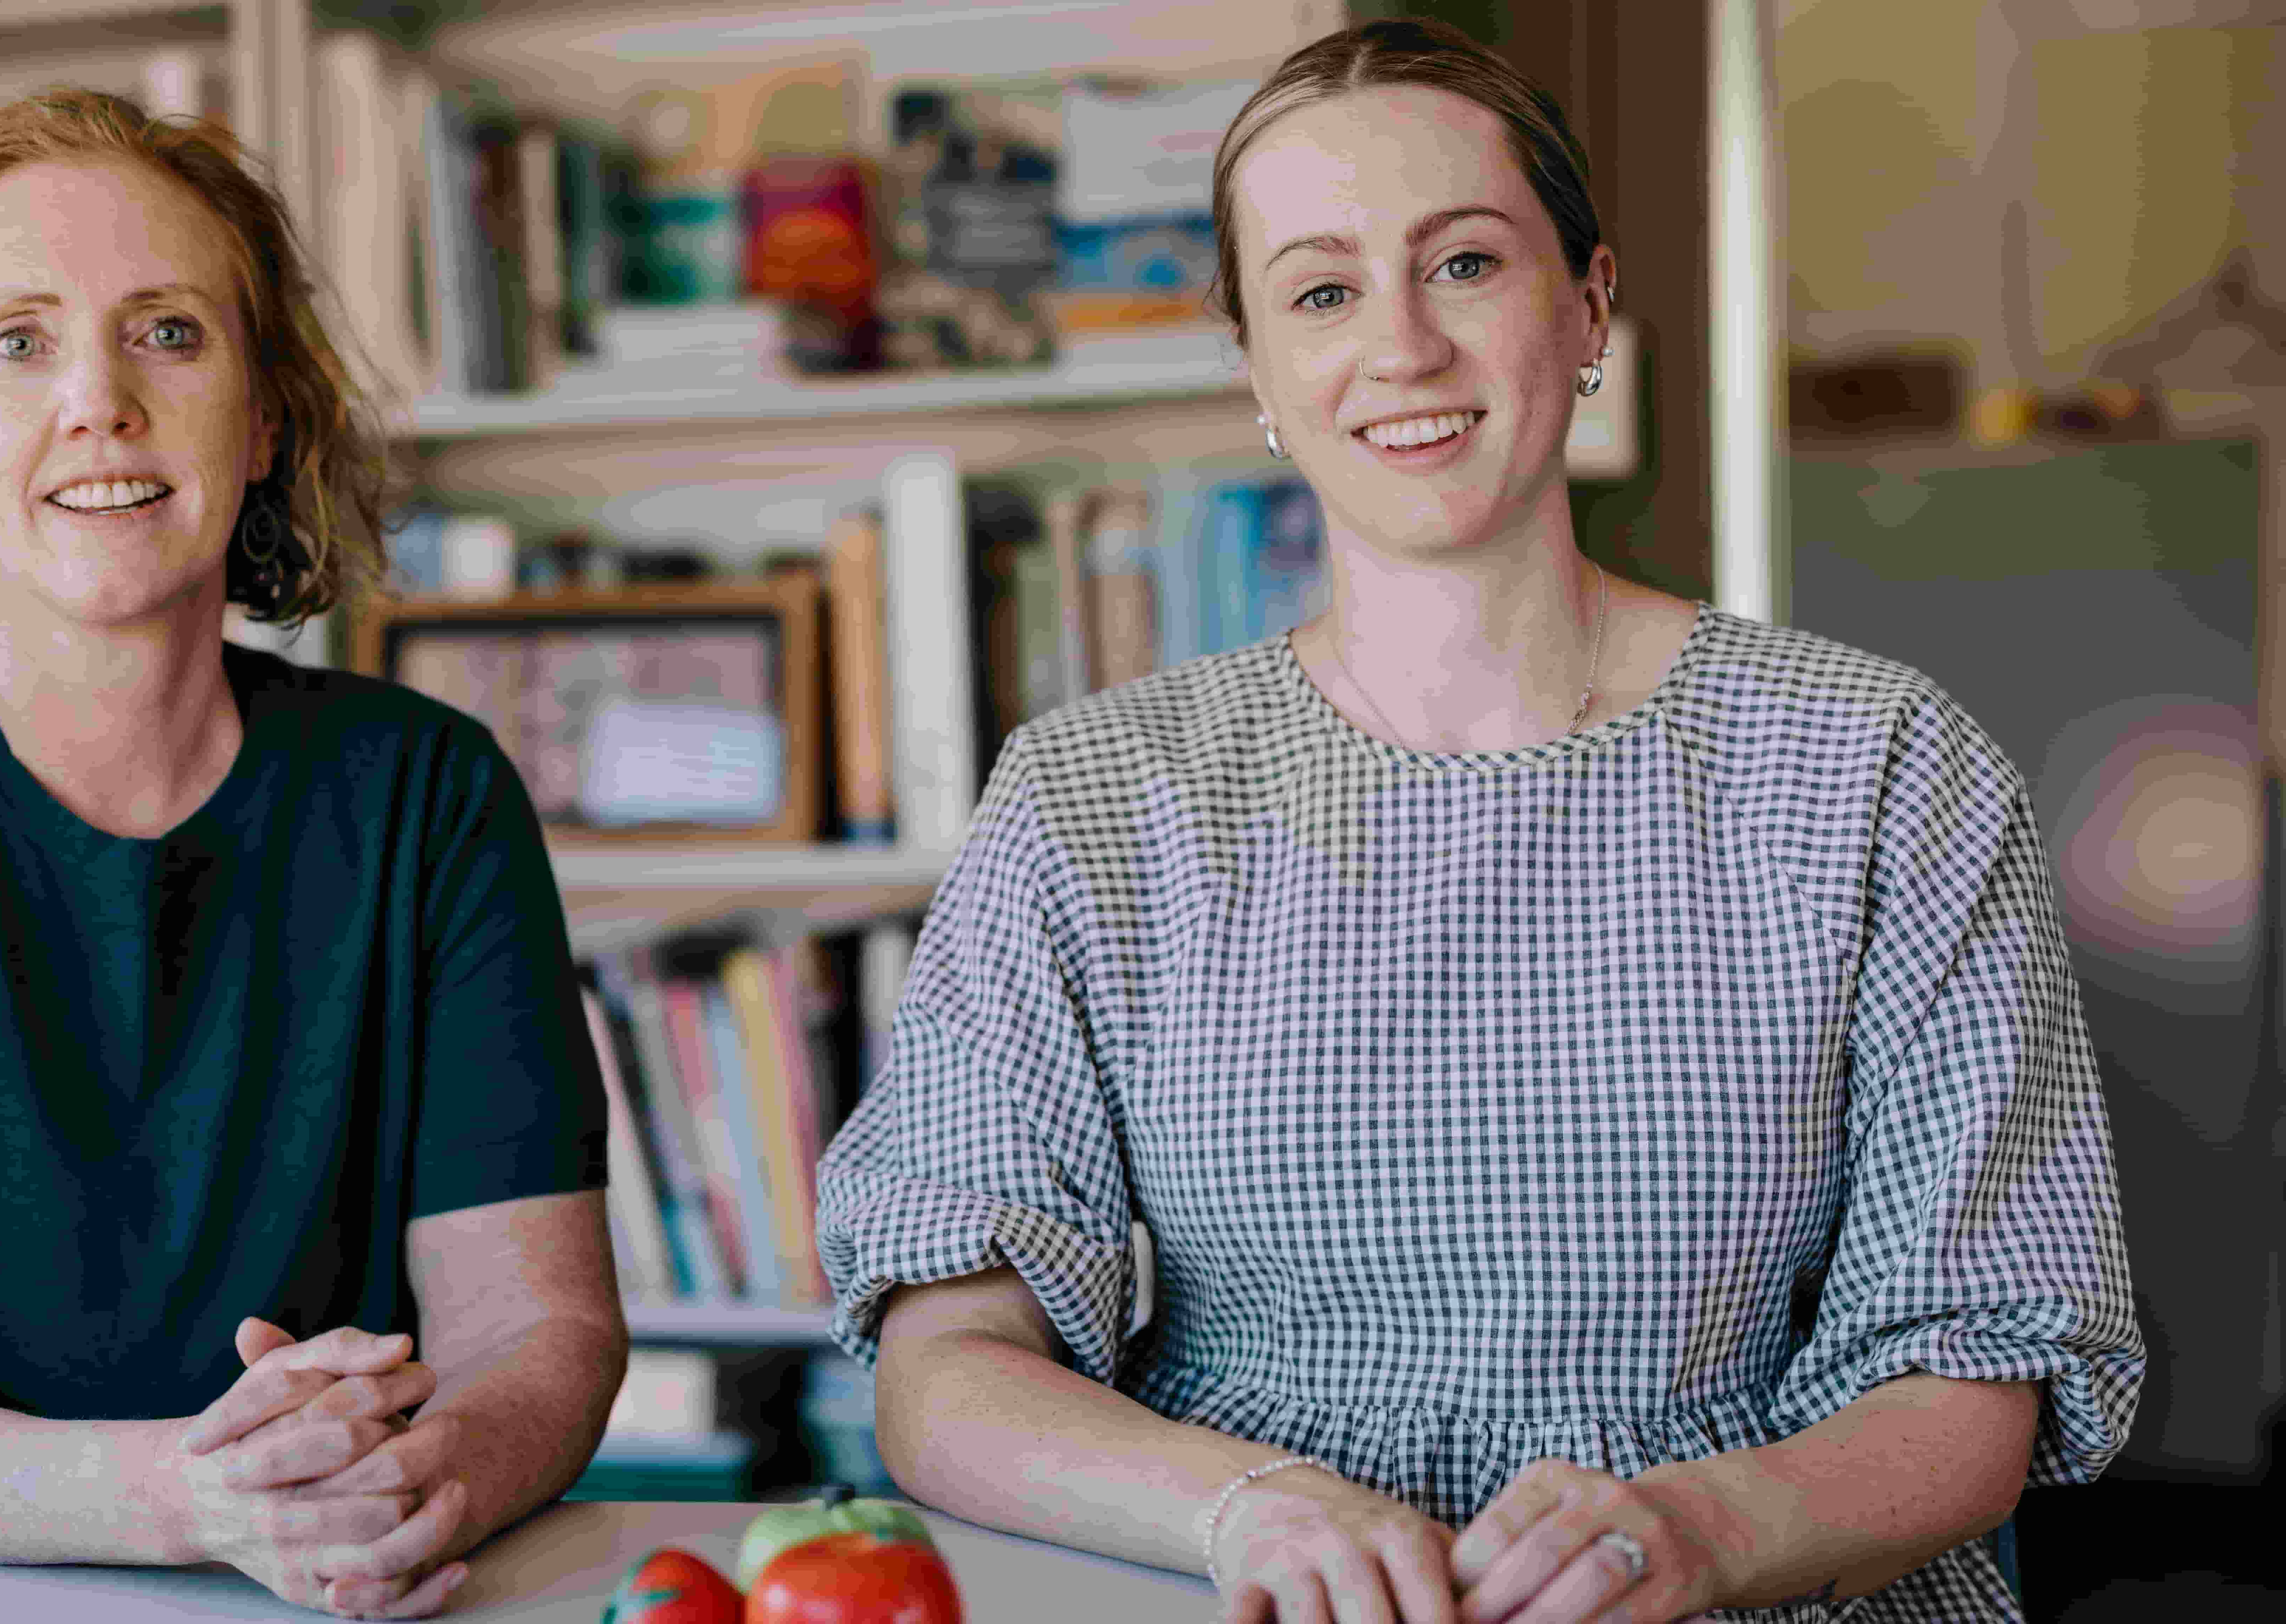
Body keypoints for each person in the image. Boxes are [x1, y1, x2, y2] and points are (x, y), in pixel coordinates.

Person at [816, 20, 2139, 1624]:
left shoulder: (1877, 762)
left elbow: (1977, 1371)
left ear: (1585, 304)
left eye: (1462, 266)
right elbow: (946, 1362)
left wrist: (1707, 1534)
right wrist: (1246, 1507)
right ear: (1254, 367)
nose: (1400, 350)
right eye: (1319, 292)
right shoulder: (1094, 797)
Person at [0, 88, 625, 1621]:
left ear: (267, 413)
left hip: (315, 1593)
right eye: (18, 345)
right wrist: (199, 1495)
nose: (99, 401)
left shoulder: (428, 791)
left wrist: (414, 1491)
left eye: (168, 332)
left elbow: (538, 1333)